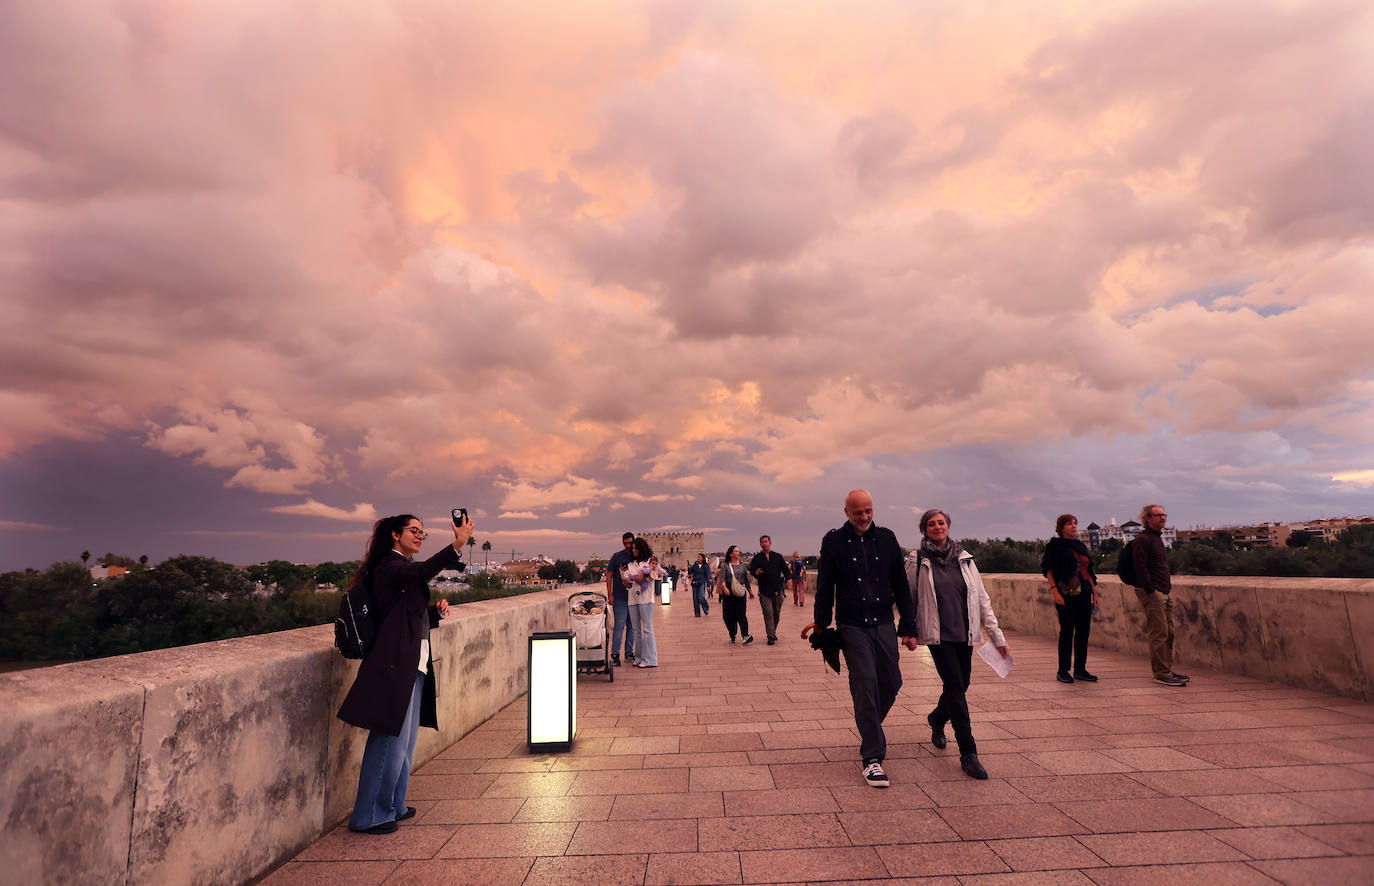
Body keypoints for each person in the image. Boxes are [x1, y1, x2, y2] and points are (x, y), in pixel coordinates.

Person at [338, 511, 472, 833]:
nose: (420, 536)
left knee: (405, 742)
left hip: (413, 661)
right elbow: (422, 572)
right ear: (396, 535)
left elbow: (401, 614)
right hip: (394, 664)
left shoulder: (401, 569)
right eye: (414, 530)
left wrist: (432, 613)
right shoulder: (390, 564)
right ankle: (369, 815)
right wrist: (457, 544)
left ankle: (393, 806)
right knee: (388, 740)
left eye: (423, 532)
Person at [815, 489, 917, 788]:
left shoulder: (886, 538)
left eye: (869, 511)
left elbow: (900, 583)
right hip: (852, 624)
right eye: (858, 512)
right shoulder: (833, 541)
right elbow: (824, 587)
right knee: (866, 683)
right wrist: (822, 629)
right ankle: (872, 757)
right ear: (847, 512)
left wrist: (909, 625)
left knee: (891, 682)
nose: (864, 517)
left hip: (884, 621)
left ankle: (868, 723)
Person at [906, 508, 1008, 780]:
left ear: (948, 526)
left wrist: (997, 638)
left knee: (962, 685)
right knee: (955, 687)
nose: (937, 527)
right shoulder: (917, 560)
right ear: (925, 530)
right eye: (931, 524)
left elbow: (982, 600)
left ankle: (937, 718)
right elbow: (908, 599)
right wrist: (909, 631)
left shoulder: (965, 558)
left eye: (941, 522)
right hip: (937, 636)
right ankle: (969, 752)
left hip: (965, 634)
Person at [1132, 504, 1187, 686]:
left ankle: (1167, 669)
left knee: (1169, 632)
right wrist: (1151, 589)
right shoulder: (1143, 539)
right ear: (1148, 519)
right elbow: (1139, 566)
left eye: (1164, 514)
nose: (1162, 518)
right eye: (1158, 515)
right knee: (1159, 633)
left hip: (1164, 590)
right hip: (1153, 592)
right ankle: (1161, 673)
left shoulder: (1157, 538)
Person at [1041, 514, 1099, 684]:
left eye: (1075, 523)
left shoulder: (1080, 545)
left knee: (1083, 631)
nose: (1074, 526)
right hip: (1066, 593)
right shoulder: (1055, 546)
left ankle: (1080, 669)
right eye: (1069, 524)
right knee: (1066, 631)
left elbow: (1089, 572)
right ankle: (1063, 670)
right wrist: (1055, 592)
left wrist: (1095, 594)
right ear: (1061, 528)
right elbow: (1049, 570)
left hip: (1085, 592)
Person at [622, 539, 662, 668]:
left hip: (646, 598)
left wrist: (644, 577)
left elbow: (656, 575)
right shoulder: (631, 564)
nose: (634, 550)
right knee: (636, 630)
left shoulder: (650, 561)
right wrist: (624, 577)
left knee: (647, 628)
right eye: (632, 548)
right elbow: (627, 581)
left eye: (636, 548)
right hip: (632, 598)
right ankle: (638, 656)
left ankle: (650, 659)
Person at [604, 531, 637, 666]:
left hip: (635, 597)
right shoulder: (617, 557)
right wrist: (610, 594)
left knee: (632, 626)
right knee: (619, 625)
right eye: (625, 543)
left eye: (630, 542)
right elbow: (609, 575)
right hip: (620, 597)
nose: (628, 545)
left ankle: (629, 653)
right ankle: (615, 653)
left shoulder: (637, 556)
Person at [749, 535, 789, 644]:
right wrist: (755, 572)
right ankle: (771, 636)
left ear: (770, 543)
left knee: (776, 614)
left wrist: (789, 579)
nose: (764, 543)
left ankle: (772, 632)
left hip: (778, 590)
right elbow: (752, 570)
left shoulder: (778, 556)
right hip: (764, 591)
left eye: (766, 541)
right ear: (760, 544)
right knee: (768, 613)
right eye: (762, 542)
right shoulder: (757, 558)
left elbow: (786, 570)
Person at [716, 545, 755, 644]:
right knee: (728, 615)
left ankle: (745, 635)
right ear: (731, 554)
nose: (738, 553)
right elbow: (723, 578)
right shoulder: (725, 565)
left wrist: (750, 591)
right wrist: (724, 588)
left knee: (741, 614)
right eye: (736, 551)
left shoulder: (742, 565)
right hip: (728, 592)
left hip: (740, 591)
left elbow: (746, 579)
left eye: (738, 551)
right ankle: (732, 634)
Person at [688, 553, 712, 617]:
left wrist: (708, 586)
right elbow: (690, 573)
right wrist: (689, 568)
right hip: (695, 583)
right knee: (695, 599)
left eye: (699, 556)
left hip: (702, 583)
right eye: (697, 556)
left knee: (701, 597)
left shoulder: (706, 566)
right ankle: (697, 613)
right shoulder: (695, 565)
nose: (697, 558)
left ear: (702, 558)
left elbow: (708, 576)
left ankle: (706, 608)